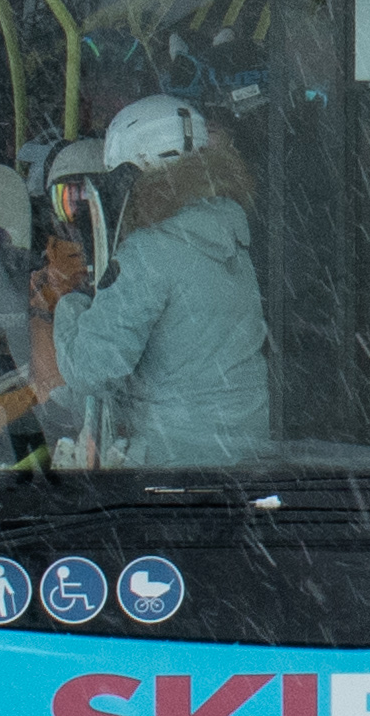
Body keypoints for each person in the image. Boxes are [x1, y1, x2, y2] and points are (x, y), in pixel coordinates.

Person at [31, 92, 273, 465]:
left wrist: (65, 298)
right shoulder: (228, 241)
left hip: (173, 470)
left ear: (132, 175)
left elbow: (89, 371)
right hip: (238, 460)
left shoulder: (150, 253)